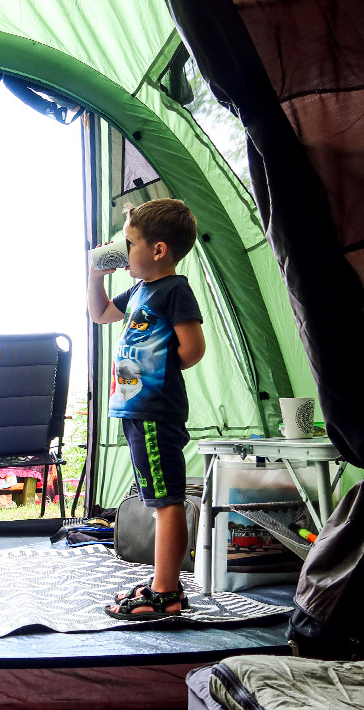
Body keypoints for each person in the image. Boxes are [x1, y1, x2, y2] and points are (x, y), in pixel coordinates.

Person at [87, 198, 205, 620]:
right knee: (158, 497)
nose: (124, 252)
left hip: (156, 408)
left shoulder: (174, 290)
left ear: (158, 251)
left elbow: (192, 350)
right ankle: (163, 581)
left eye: (129, 243)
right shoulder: (139, 290)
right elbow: (99, 313)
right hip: (137, 411)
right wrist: (95, 274)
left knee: (167, 500)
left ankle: (166, 591)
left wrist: (156, 369)